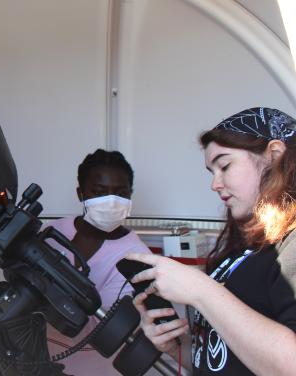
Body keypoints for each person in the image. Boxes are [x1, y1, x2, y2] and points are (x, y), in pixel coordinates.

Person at [126, 107, 296, 375]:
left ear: (274, 156)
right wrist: (176, 346)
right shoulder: (244, 248)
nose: (215, 184)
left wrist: (201, 290)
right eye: (211, 171)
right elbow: (223, 359)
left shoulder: (292, 244)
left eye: (225, 166)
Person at [44, 148, 152, 376]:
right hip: (37, 364)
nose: (111, 202)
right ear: (80, 193)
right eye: (99, 192)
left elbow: (100, 329)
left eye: (121, 193)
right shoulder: (52, 232)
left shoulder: (138, 258)